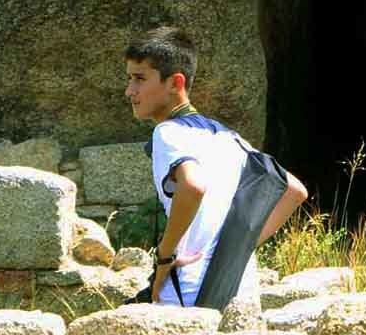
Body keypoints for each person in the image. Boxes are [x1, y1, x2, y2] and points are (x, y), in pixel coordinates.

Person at [125, 25, 308, 306]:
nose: (129, 91)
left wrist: (164, 256)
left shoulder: (167, 133)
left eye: (139, 79)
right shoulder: (229, 138)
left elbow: (193, 186)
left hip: (187, 292)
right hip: (241, 292)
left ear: (175, 83)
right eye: (129, 79)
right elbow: (294, 191)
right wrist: (239, 248)